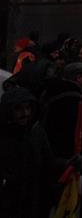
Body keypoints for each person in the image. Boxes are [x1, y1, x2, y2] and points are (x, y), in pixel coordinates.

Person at [0, 86, 53, 218]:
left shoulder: (36, 133)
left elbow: (48, 164)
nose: (25, 113)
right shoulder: (4, 138)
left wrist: (67, 165)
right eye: (18, 109)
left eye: (28, 108)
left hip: (33, 203)